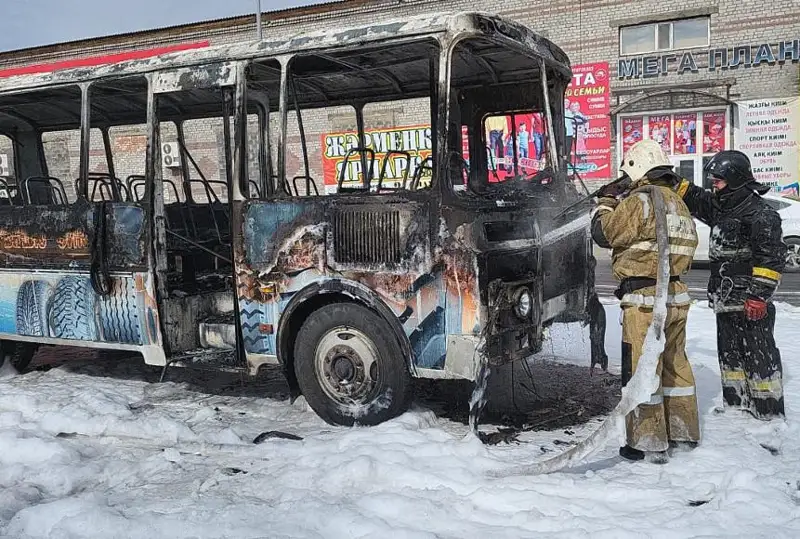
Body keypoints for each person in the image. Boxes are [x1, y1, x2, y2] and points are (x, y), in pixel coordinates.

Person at [591, 139, 701, 462]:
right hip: (676, 298)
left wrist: (606, 202)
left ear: (638, 169)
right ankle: (683, 432)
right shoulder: (679, 205)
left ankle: (646, 442)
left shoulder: (640, 202)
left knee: (642, 370)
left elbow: (603, 233)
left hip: (644, 302)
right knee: (675, 366)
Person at [676, 150, 786, 420]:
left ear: (735, 179)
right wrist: (669, 178)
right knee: (730, 352)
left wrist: (759, 296)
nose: (714, 183)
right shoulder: (722, 207)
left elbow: (771, 259)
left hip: (750, 301)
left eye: (719, 179)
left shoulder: (762, 215)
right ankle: (736, 403)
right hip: (726, 299)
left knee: (758, 353)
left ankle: (767, 410)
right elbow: (696, 198)